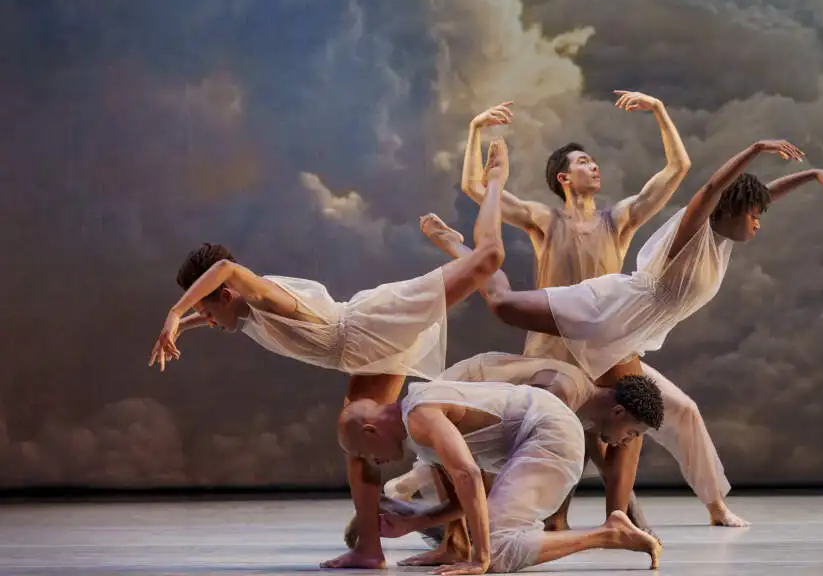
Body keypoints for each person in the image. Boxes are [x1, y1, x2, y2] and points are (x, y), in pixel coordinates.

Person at [449, 131, 823, 525]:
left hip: (627, 336)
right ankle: (459, 248)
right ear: (729, 210)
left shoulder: (723, 240)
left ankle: (631, 514)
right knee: (502, 305)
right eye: (752, 214)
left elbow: (757, 194)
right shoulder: (693, 230)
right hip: (607, 308)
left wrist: (809, 175)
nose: (757, 222)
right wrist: (755, 148)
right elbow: (715, 186)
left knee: (643, 414)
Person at [148, 140, 513, 571]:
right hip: (362, 355)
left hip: (372, 323)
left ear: (225, 294)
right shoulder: (243, 312)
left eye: (206, 309)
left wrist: (175, 313)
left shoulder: (266, 297)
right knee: (359, 443)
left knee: (490, 258)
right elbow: (220, 307)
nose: (207, 318)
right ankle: (371, 548)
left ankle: (494, 184)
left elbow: (227, 272)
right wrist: (186, 327)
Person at [460, 95, 740, 527]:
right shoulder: (544, 220)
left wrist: (661, 111)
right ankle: (562, 515)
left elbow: (676, 171)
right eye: (584, 162)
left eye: (594, 161)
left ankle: (705, 504)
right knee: (557, 427)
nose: (595, 167)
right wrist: (477, 129)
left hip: (609, 346)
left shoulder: (618, 220)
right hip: (554, 347)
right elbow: (477, 190)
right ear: (563, 177)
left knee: (680, 409)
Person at [338, 379, 663, 574]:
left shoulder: (420, 414)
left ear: (371, 430)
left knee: (495, 551)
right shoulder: (418, 429)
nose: (373, 461)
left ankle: (609, 533)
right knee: (495, 544)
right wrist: (414, 523)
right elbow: (463, 500)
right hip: (546, 431)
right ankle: (610, 531)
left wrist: (480, 557)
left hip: (551, 432)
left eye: (366, 453)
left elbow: (468, 475)